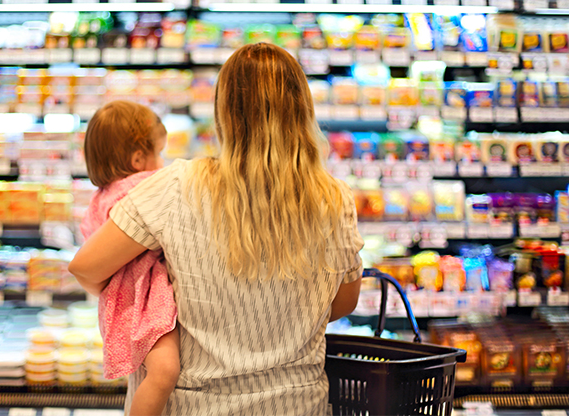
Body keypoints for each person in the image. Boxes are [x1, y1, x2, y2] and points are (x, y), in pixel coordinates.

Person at [69, 43, 364, 416]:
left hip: (196, 404)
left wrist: (137, 295)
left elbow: (85, 267)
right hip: (298, 404)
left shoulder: (176, 186)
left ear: (224, 113)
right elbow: (343, 303)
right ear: (302, 109)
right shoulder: (334, 199)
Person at [78, 100, 179, 416]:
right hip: (144, 298)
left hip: (124, 298)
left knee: (150, 373)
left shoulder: (102, 196)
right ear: (138, 159)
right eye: (159, 154)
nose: (162, 164)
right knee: (165, 371)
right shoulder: (140, 188)